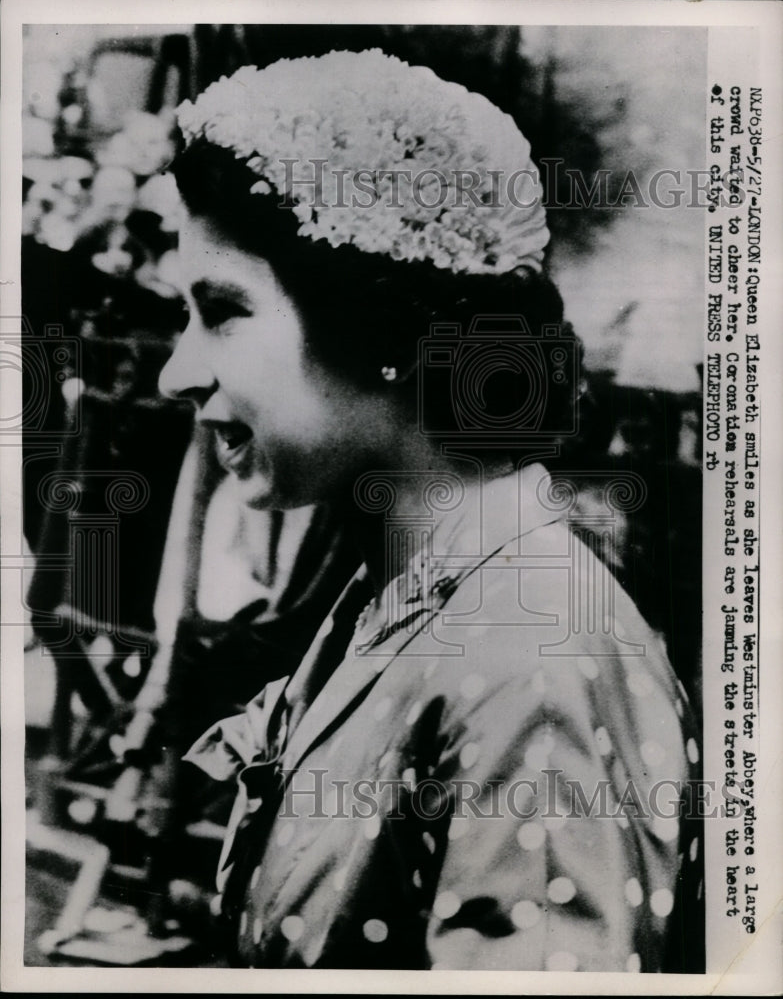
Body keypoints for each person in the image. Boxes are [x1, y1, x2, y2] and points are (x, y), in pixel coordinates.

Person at [158, 50, 702, 971]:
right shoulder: (401, 595)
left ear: (374, 325)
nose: (178, 372)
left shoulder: (534, 659)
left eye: (223, 311)